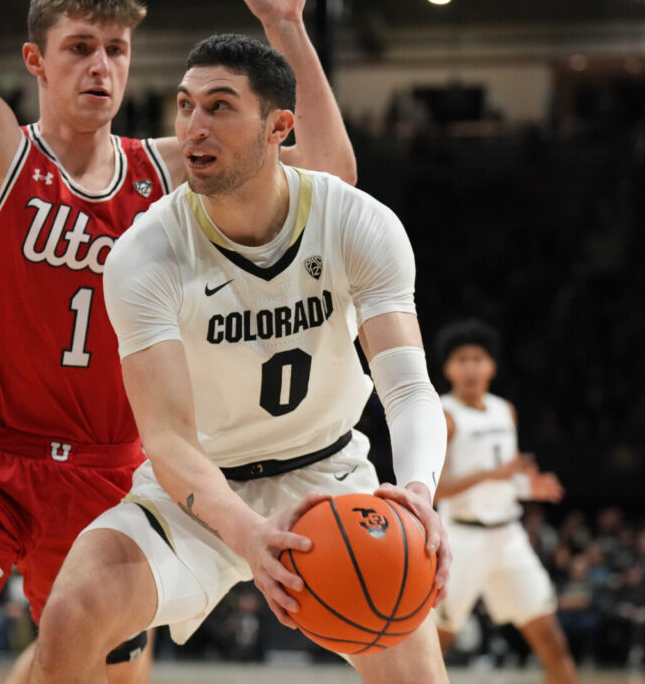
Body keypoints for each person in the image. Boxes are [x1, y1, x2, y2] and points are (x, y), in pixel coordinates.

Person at [0, 0, 357, 681]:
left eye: (116, 49)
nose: (101, 66)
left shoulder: (170, 175)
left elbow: (329, 176)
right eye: (79, 48)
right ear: (35, 60)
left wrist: (285, 23)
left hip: (114, 470)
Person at [29, 33, 451, 683]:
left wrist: (418, 491)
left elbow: (409, 388)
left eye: (220, 106)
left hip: (329, 476)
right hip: (199, 489)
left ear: (280, 126)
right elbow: (166, 440)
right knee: (73, 609)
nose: (194, 127)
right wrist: (247, 530)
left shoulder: (357, 222)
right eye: (185, 105)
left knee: (415, 673)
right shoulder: (145, 254)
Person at [431, 319, 579, 683]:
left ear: (492, 366)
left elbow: (509, 475)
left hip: (508, 537)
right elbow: (431, 490)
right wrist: (490, 475)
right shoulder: (443, 414)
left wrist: (532, 487)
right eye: (461, 359)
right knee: (435, 649)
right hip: (461, 540)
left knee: (551, 641)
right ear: (447, 368)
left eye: (477, 359)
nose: (470, 367)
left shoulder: (504, 410)